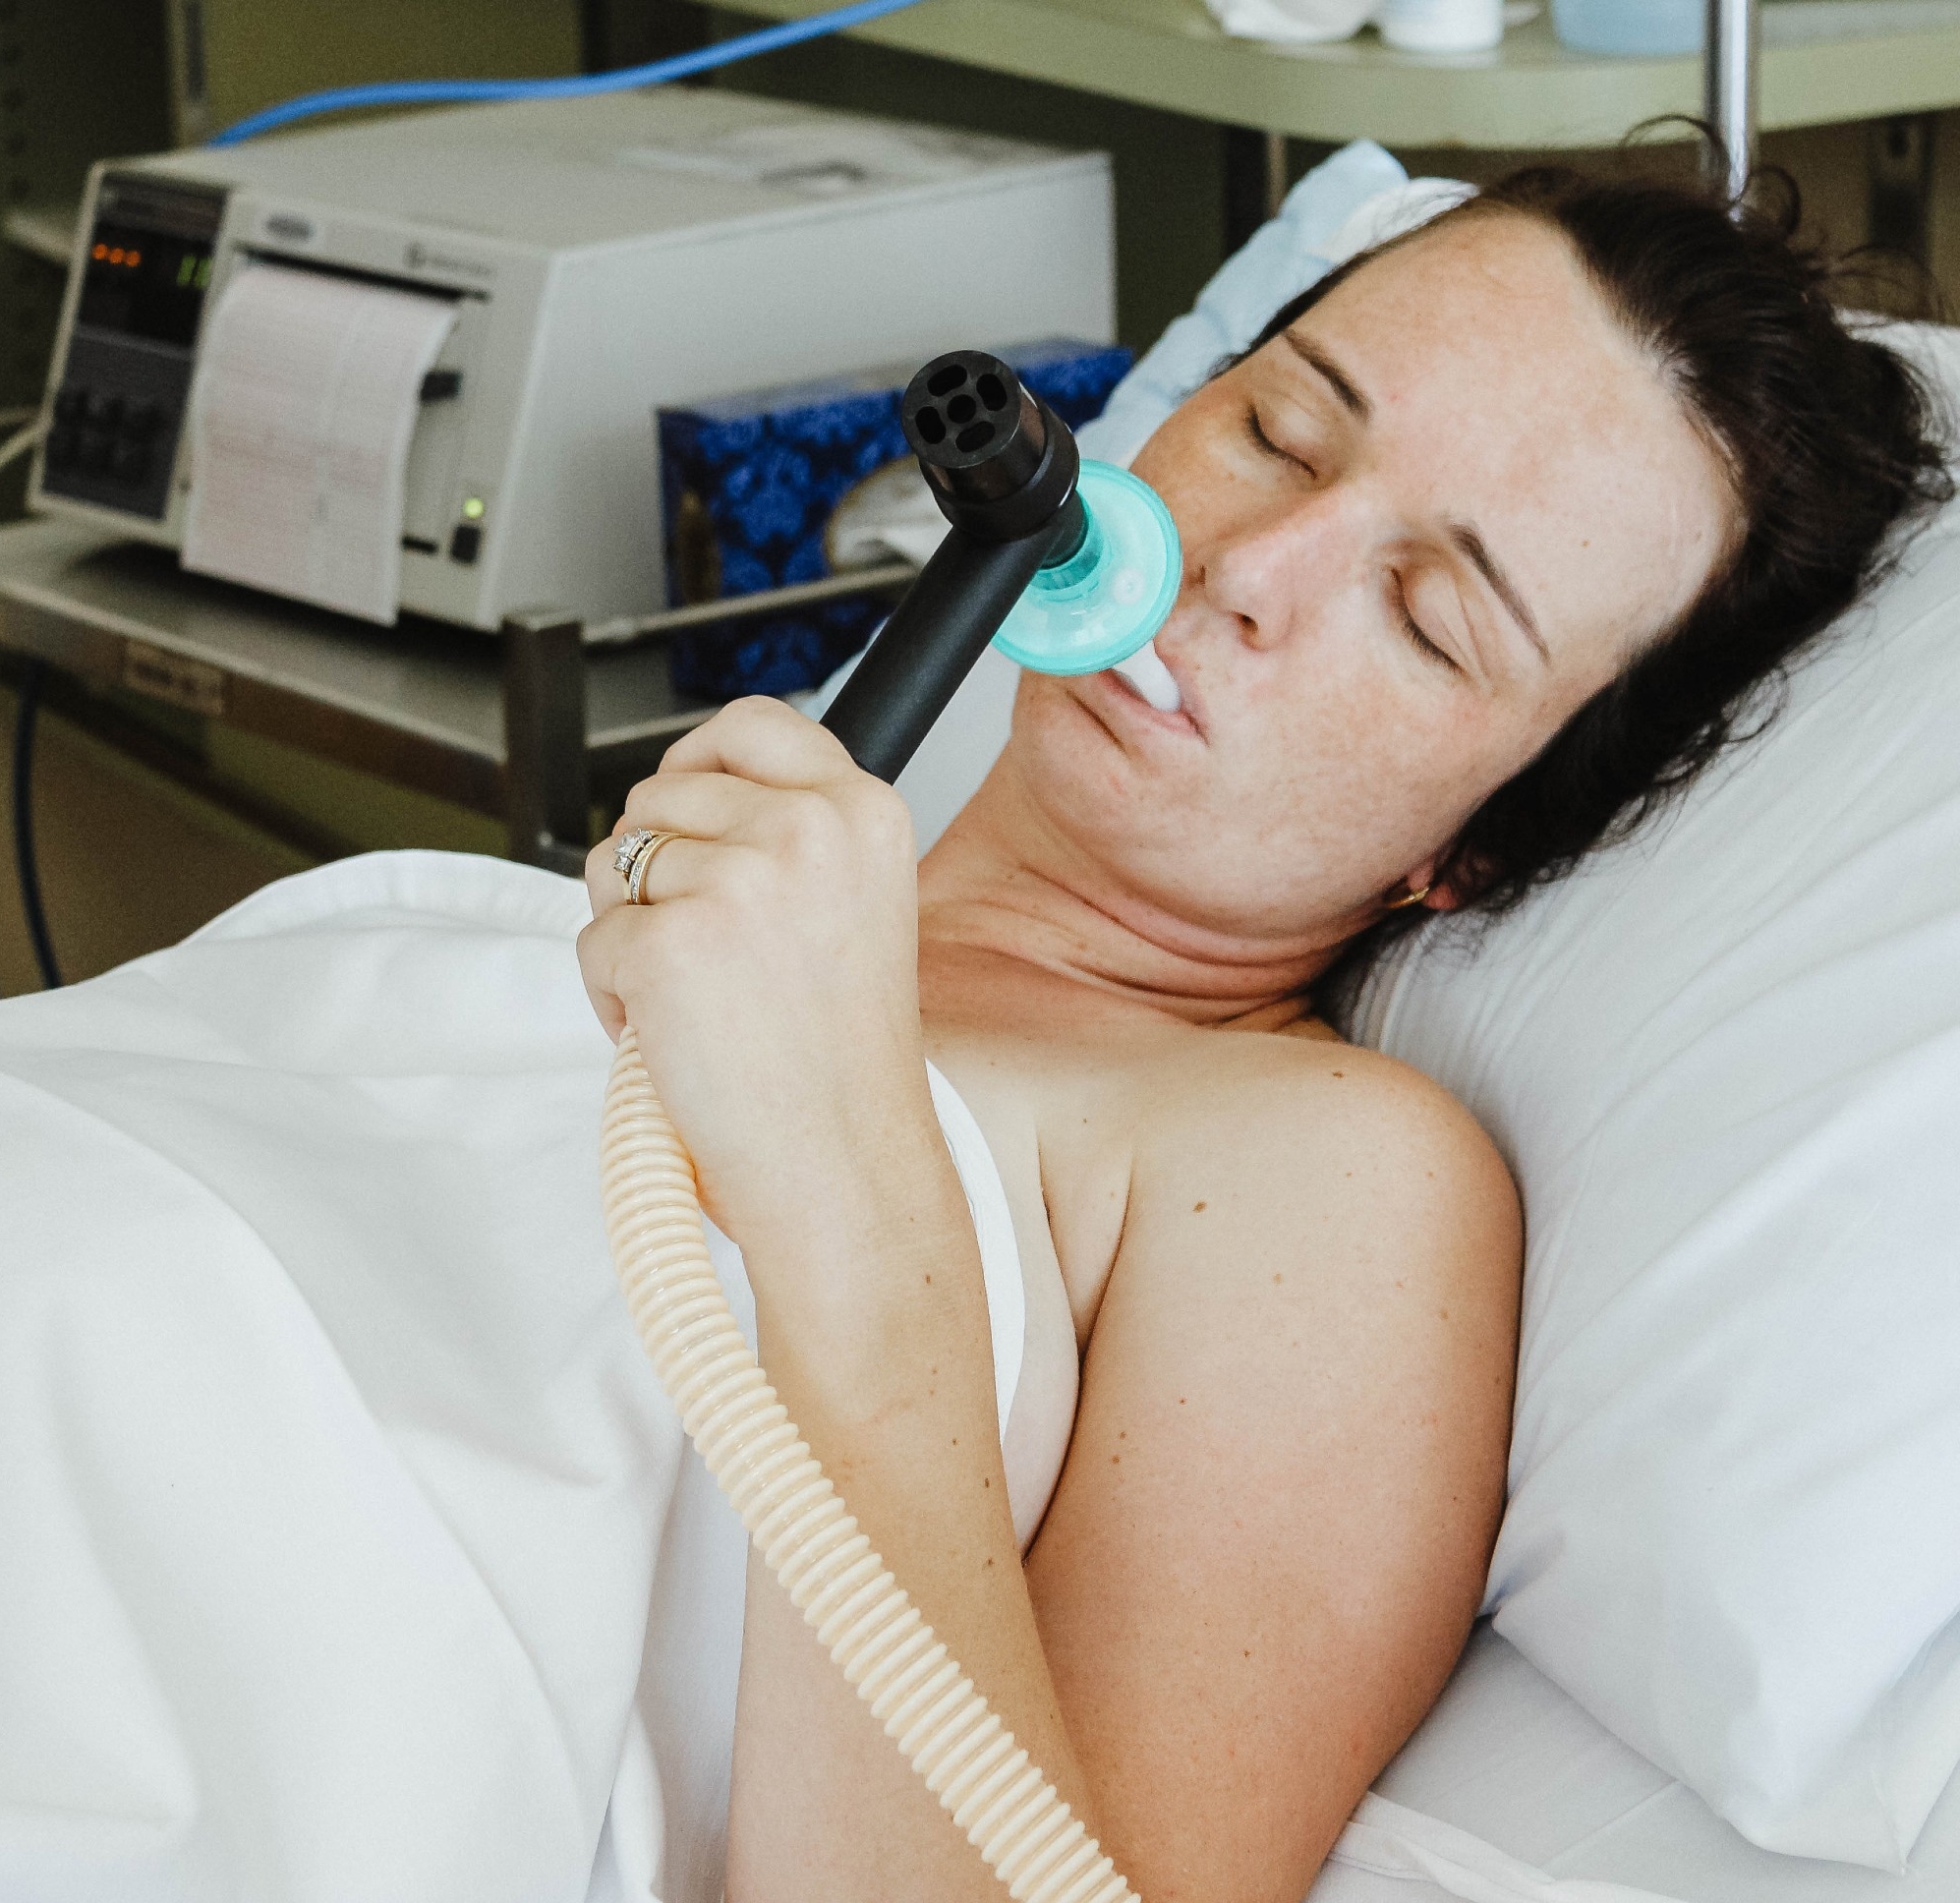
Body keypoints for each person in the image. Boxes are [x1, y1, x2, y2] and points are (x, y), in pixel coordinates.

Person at [576, 163, 1949, 1903]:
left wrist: (843, 1190)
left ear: (1478, 847)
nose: (1246, 566)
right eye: (1280, 435)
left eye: (1428, 617)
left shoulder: (1321, 1182)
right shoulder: (695, 893)